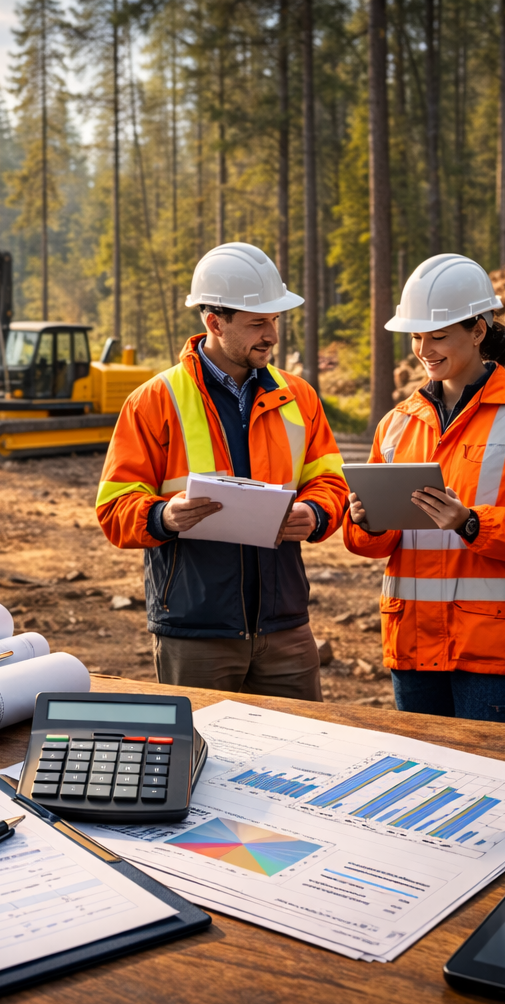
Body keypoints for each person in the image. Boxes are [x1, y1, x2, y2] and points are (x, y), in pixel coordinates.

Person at [95, 242, 349, 700]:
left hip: (285, 626)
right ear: (214, 322)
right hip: (195, 633)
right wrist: (164, 517)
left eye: (274, 321)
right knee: (202, 761)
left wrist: (315, 513)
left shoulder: (300, 397)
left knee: (305, 758)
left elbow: (330, 481)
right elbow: (114, 507)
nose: (271, 335)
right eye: (257, 324)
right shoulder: (154, 401)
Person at [343, 254, 505, 724]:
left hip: (493, 651)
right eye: (416, 336)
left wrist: (470, 522)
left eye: (438, 335)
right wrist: (364, 522)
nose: (424, 349)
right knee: (423, 787)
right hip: (412, 646)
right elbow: (374, 544)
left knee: (498, 787)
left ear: (478, 331)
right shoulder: (396, 425)